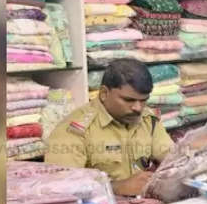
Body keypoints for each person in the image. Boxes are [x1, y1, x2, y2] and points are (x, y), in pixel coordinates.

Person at [46, 58, 174, 196]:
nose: (138, 108)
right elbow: (62, 189)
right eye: (128, 100)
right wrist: (116, 187)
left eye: (143, 100)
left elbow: (170, 157)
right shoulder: (74, 131)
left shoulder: (148, 120)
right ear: (104, 93)